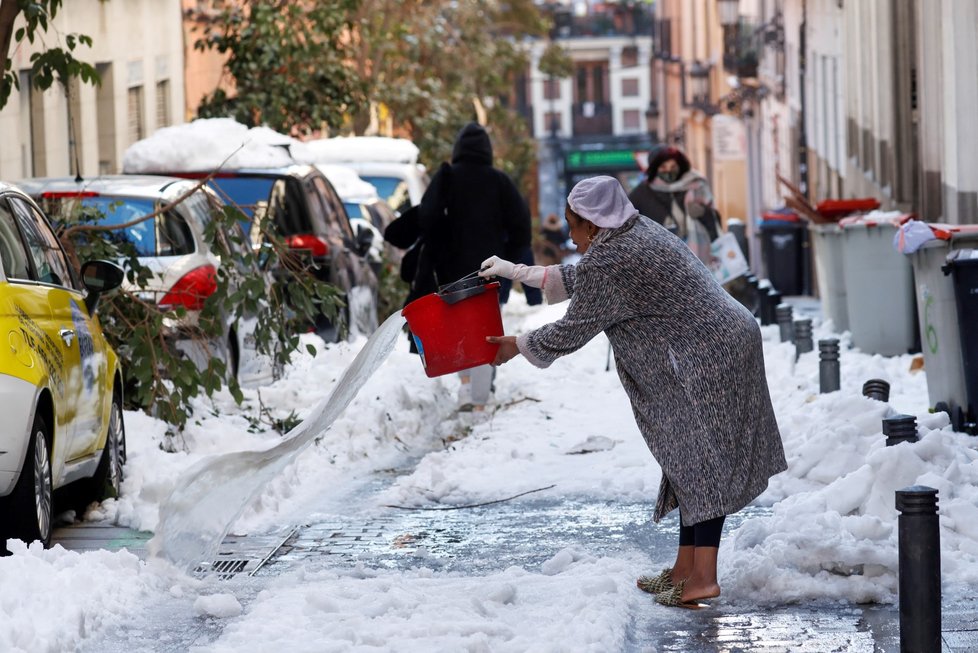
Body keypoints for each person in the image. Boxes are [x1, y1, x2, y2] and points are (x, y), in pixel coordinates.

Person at [479, 176, 786, 608]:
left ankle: (702, 578)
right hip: (716, 342)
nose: (569, 234)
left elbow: (574, 327)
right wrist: (517, 272)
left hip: (709, 356)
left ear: (592, 224)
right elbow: (586, 277)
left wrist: (517, 345)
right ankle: (685, 569)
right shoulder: (633, 231)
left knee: (701, 465)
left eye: (572, 225)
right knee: (687, 460)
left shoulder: (614, 258)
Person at [387, 121, 531, 412]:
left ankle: (467, 387)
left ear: (458, 150)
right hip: (492, 271)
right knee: (488, 329)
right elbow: (521, 227)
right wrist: (520, 268)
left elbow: (427, 216)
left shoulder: (449, 178)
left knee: (458, 329)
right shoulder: (499, 181)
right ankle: (480, 395)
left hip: (452, 271)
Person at [627, 147, 721, 264]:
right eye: (663, 167)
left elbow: (715, 221)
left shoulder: (696, 185)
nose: (669, 171)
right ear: (654, 169)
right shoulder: (642, 192)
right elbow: (628, 224)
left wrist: (703, 212)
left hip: (698, 257)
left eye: (673, 166)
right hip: (660, 259)